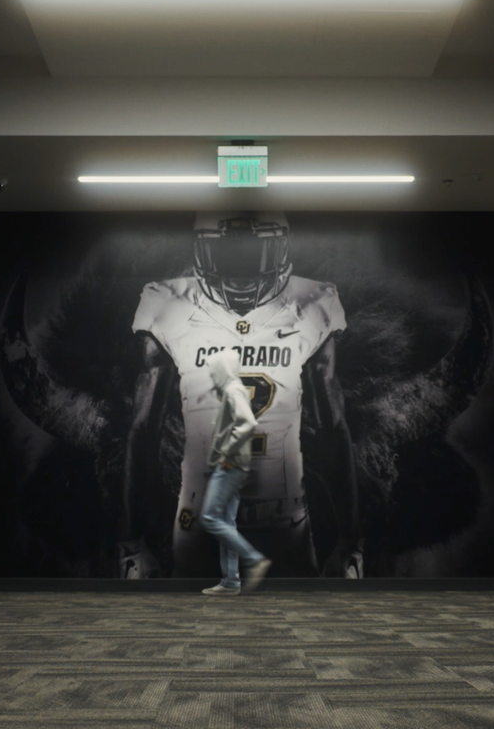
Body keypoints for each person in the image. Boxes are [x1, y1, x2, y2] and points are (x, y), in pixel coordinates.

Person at [116, 213, 360, 581]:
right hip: (198, 518)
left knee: (298, 630)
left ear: (280, 250)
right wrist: (132, 543)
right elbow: (143, 430)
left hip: (287, 517)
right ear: (203, 252)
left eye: (255, 254)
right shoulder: (168, 304)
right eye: (227, 255)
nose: (241, 272)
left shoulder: (312, 303)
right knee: (193, 633)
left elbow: (334, 428)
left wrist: (349, 541)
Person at [194, 349, 271, 596]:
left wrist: (226, 453)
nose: (210, 373)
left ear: (222, 368)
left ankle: (254, 559)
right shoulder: (231, 388)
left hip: (230, 465)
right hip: (233, 466)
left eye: (212, 368)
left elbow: (248, 422)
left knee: (210, 518)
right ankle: (231, 582)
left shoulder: (232, 389)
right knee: (226, 523)